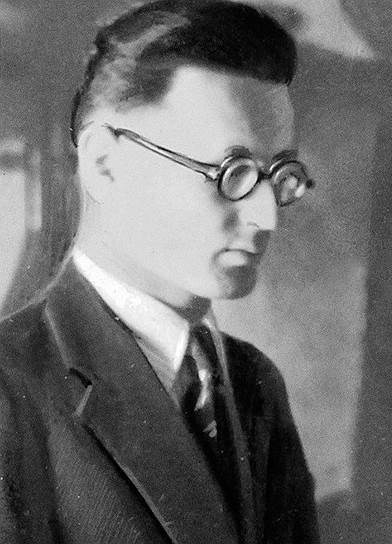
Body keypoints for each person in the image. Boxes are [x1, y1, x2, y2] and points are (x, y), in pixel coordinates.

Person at [0, 1, 320, 542]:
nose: (266, 217)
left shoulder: (255, 384)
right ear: (105, 164)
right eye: (232, 172)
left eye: (278, 174)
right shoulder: (11, 392)